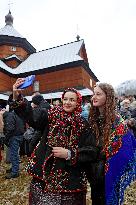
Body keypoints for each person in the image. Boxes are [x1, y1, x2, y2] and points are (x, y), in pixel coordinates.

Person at [9, 78, 97, 205]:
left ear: (78, 102)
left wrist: (69, 153)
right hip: (45, 177)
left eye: (72, 100)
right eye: (65, 99)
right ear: (61, 100)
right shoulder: (51, 115)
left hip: (70, 180)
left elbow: (91, 151)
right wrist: (17, 96)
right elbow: (31, 117)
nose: (68, 102)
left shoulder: (83, 124)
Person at [87, 82, 136, 205]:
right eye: (94, 94)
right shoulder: (92, 118)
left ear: (108, 97)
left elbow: (127, 148)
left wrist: (106, 155)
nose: (94, 97)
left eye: (98, 94)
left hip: (109, 172)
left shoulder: (117, 121)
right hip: (93, 172)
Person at [3, 102, 25, 179]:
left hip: (14, 137)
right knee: (14, 154)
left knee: (13, 155)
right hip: (19, 136)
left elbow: (10, 129)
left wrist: (6, 139)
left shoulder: (10, 115)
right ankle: (14, 168)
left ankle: (15, 172)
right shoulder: (18, 114)